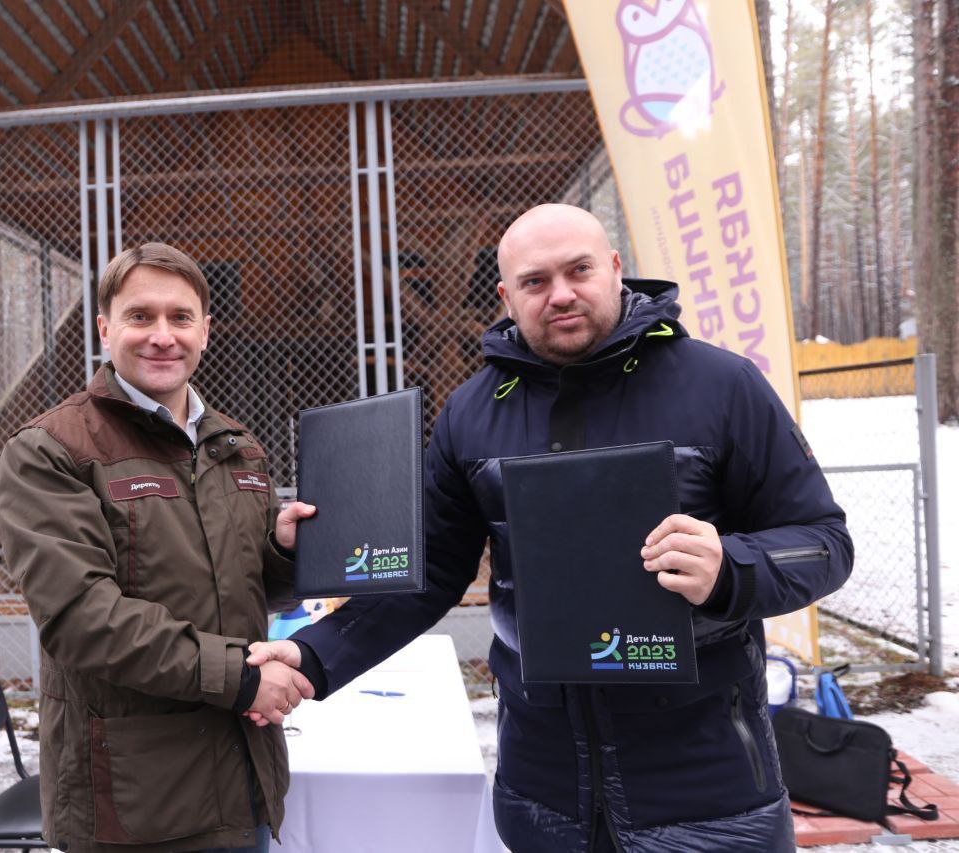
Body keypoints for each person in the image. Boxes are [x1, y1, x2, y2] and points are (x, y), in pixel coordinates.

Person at [247, 204, 854, 851]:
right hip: (544, 792)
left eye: (578, 270)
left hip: (707, 784)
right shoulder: (471, 413)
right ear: (507, 297)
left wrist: (730, 568)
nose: (560, 294)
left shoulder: (722, 384)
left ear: (615, 268)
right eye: (535, 281)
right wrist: (317, 652)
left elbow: (824, 541)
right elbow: (430, 572)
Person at [0, 242, 316, 853]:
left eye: (180, 317)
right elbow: (83, 620)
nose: (162, 336)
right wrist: (241, 678)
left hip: (244, 773)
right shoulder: (51, 450)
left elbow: (250, 591)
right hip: (136, 800)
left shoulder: (236, 445)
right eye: (140, 316)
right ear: (105, 328)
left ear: (205, 331)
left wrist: (285, 553)